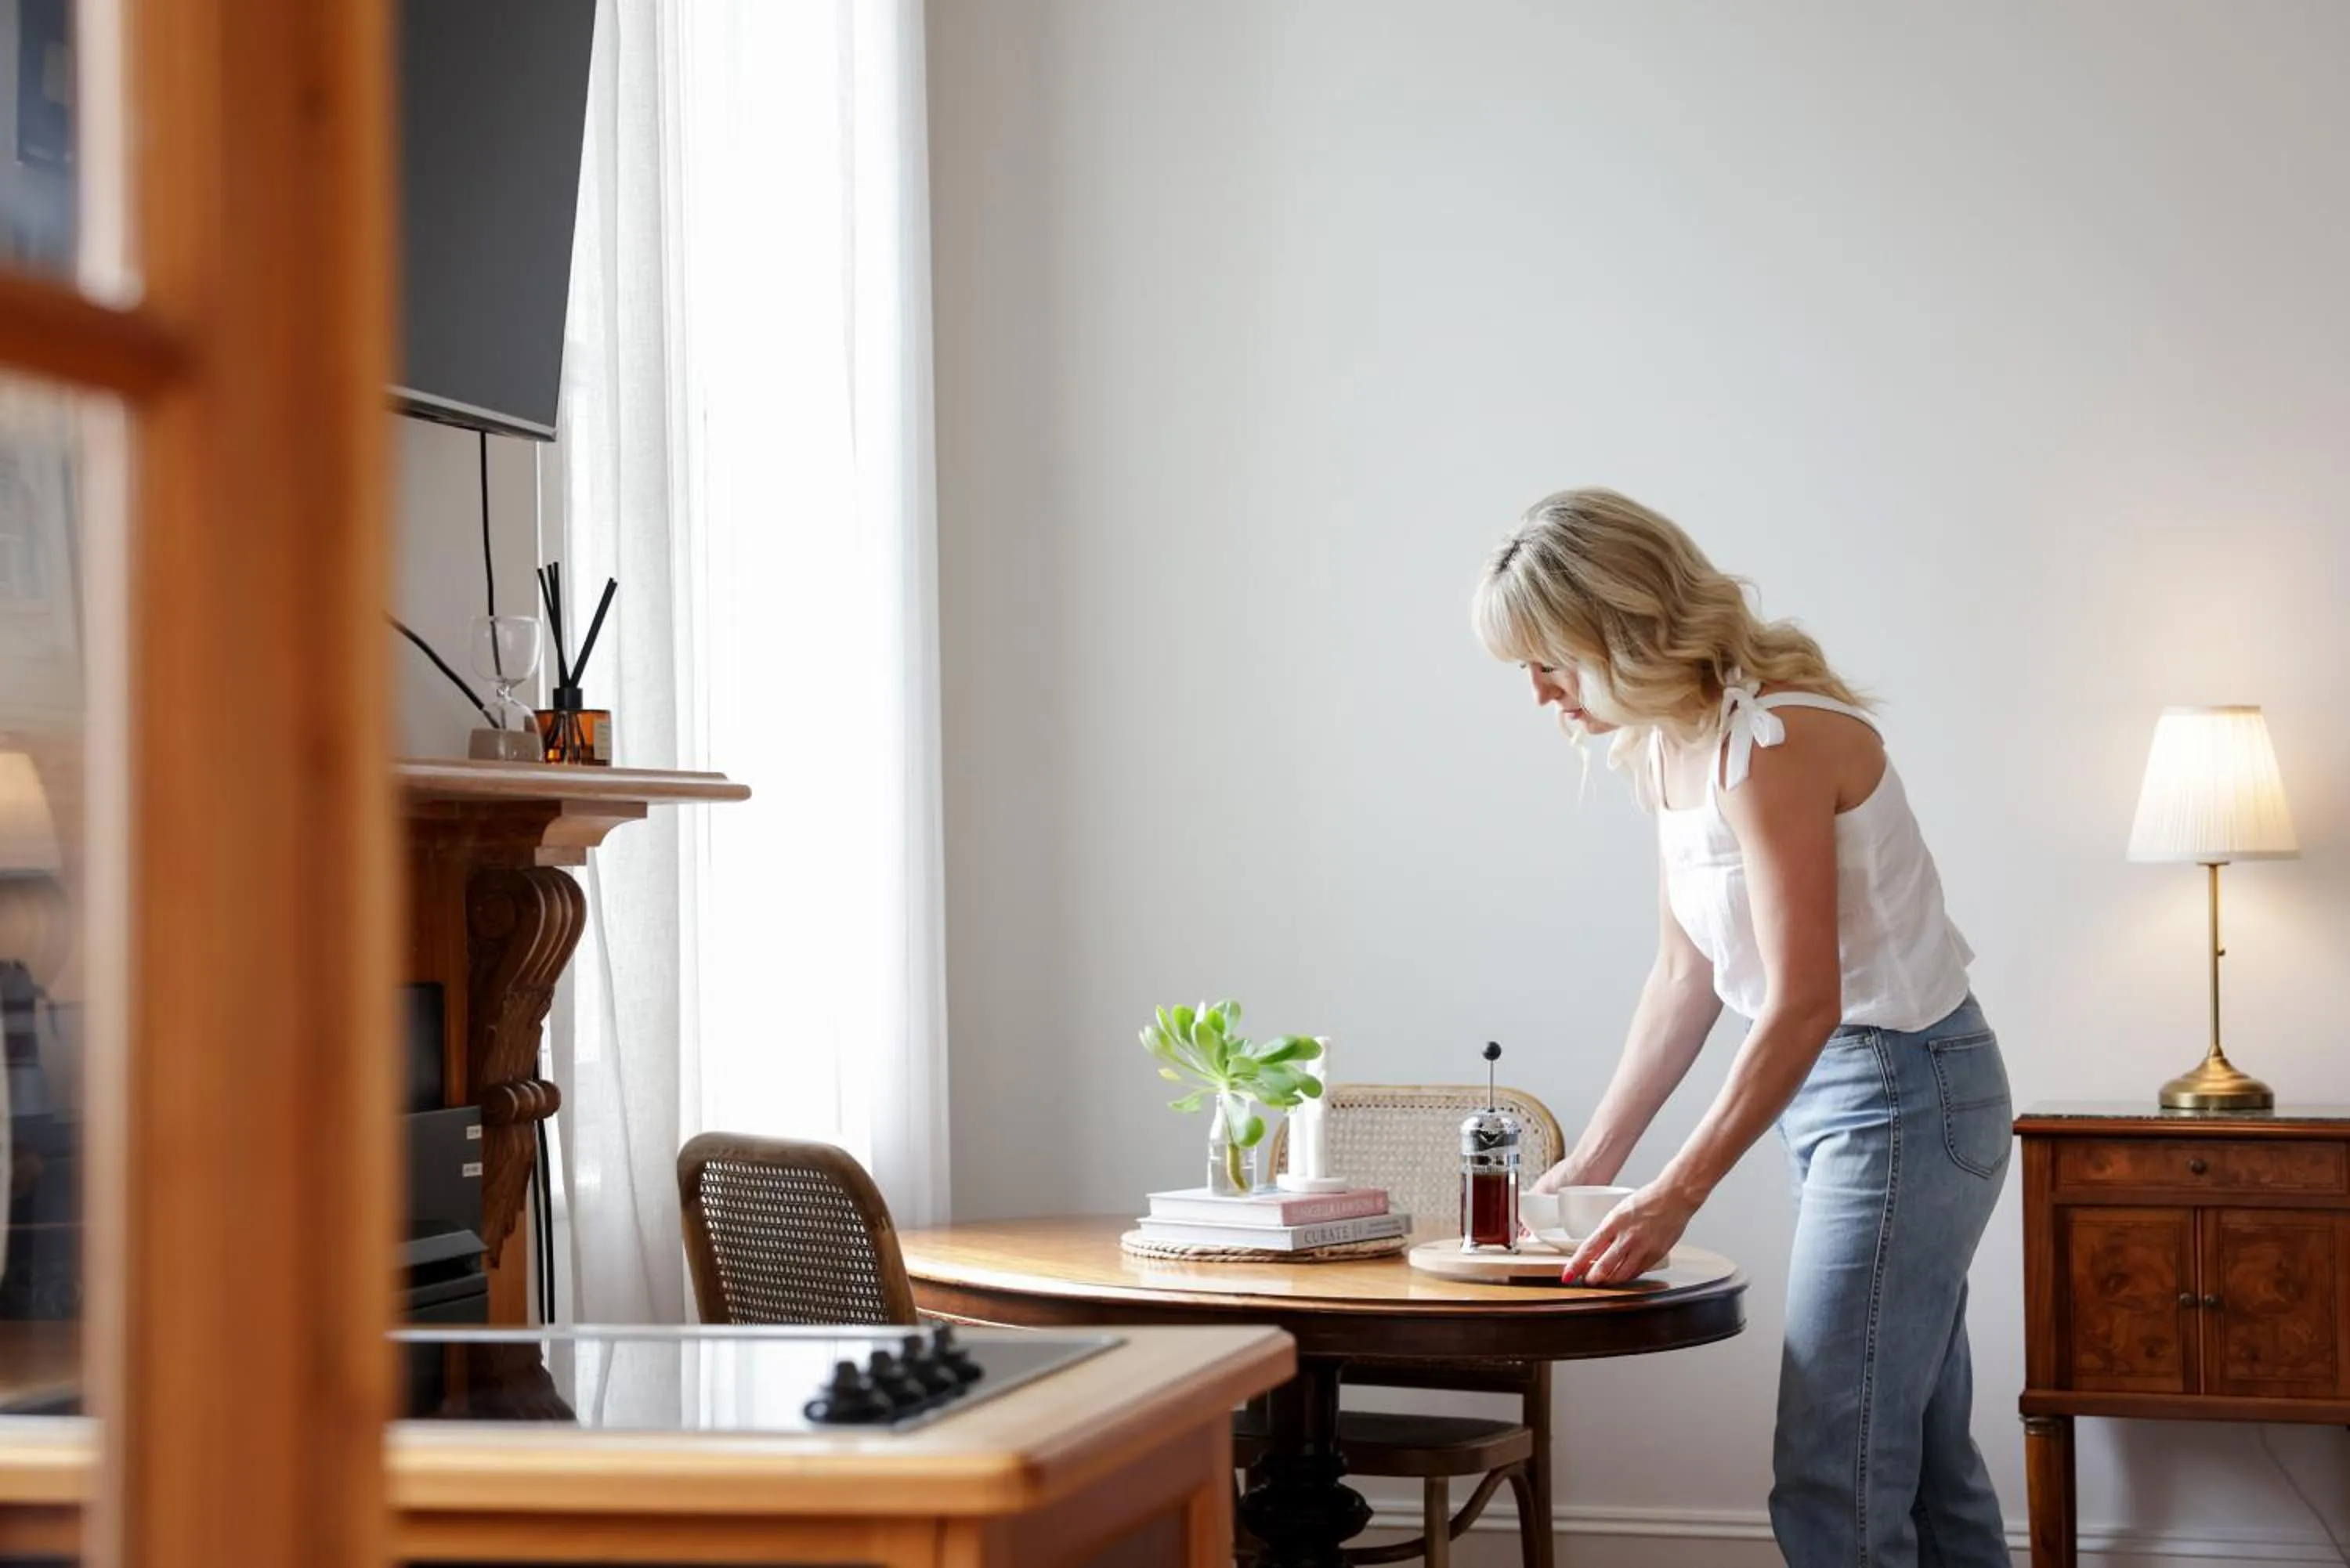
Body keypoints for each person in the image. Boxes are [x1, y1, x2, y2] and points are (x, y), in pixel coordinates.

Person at [1472, 487, 2012, 1568]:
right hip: (1842, 1092)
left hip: (1908, 1088)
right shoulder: (1667, 750)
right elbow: (1688, 974)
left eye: (1550, 661)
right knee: (1918, 1455)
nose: (1538, 693)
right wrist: (1596, 1162)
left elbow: (1805, 997)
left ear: (1617, 630)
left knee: (1835, 1464)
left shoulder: (1777, 739)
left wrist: (1677, 1190)